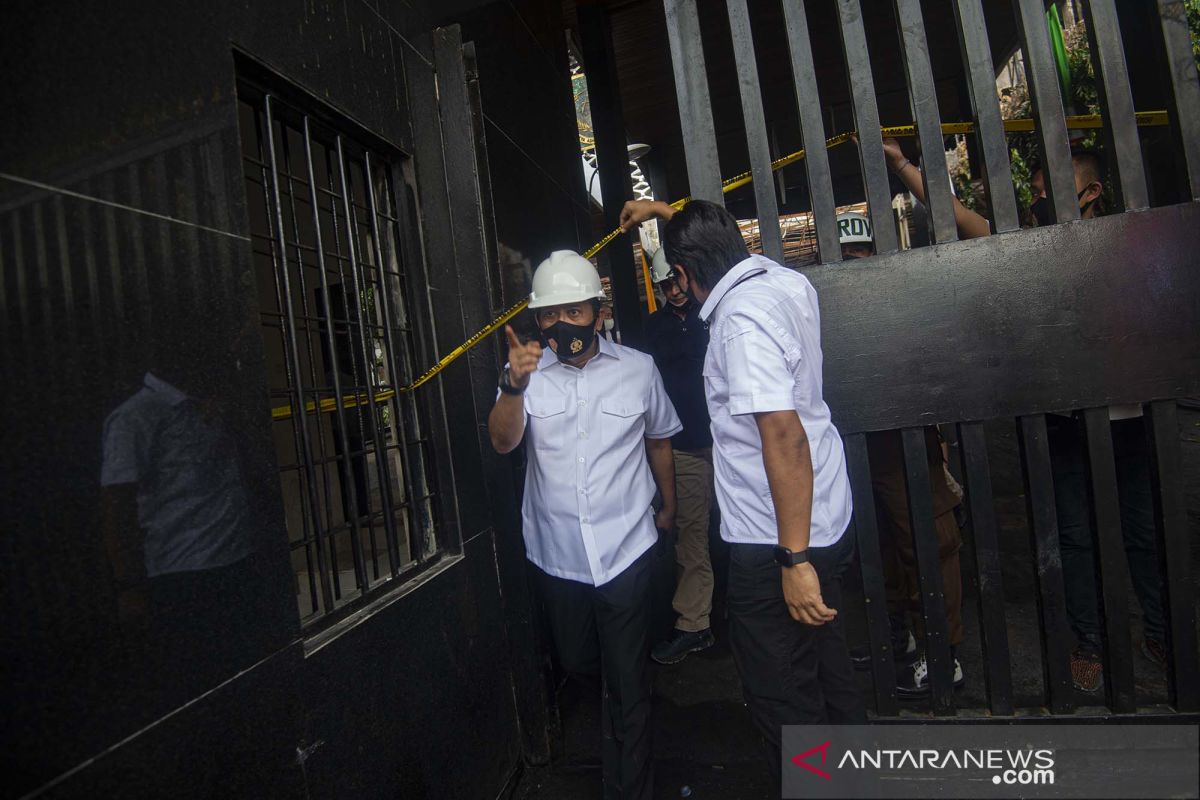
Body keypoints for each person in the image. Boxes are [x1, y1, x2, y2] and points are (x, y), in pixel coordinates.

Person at [882, 138, 1167, 692]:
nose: (1038, 202)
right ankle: (1088, 641)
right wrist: (901, 166)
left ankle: (1160, 630)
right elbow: (955, 215)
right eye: (1036, 193)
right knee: (1076, 536)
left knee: (1142, 530)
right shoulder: (1031, 243)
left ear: (1092, 192)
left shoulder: (1126, 242)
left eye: (1046, 192)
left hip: (1129, 415)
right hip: (1061, 420)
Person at [619, 198, 864, 788]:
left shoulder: (739, 322)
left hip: (777, 540)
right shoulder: (782, 281)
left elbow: (782, 436)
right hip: (826, 516)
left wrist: (794, 559)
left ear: (683, 275)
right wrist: (663, 210)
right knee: (827, 667)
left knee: (781, 692)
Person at [487, 250, 681, 800]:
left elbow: (660, 439)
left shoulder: (638, 369)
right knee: (577, 660)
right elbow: (503, 442)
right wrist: (513, 387)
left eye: (574, 312)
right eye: (550, 316)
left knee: (627, 683)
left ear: (598, 313)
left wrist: (669, 505)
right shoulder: (523, 375)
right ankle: (621, 699)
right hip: (559, 555)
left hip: (625, 547)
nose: (561, 325)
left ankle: (629, 782)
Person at [831, 210, 969, 695]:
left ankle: (943, 653)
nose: (853, 262)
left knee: (929, 542)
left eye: (862, 252)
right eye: (845, 255)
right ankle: (901, 638)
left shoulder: (903, 297)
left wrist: (942, 442)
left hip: (906, 438)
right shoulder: (831, 306)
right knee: (881, 547)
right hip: (857, 442)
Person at [644, 247, 717, 664]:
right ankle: (695, 625)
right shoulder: (653, 327)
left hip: (731, 441)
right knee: (691, 536)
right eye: (664, 284)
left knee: (757, 523)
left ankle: (777, 608)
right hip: (684, 445)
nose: (672, 290)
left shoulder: (716, 312)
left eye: (676, 280)